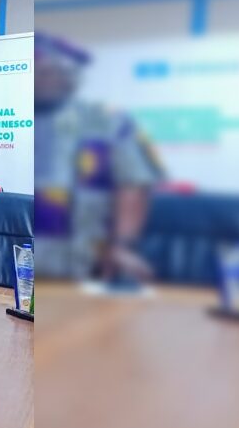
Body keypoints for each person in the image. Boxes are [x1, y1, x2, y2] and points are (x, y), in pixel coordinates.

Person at [34, 32, 163, 280]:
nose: (49, 78)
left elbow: (134, 183)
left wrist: (122, 245)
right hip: (30, 263)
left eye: (58, 71)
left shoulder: (108, 119)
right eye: (42, 71)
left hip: (87, 260)